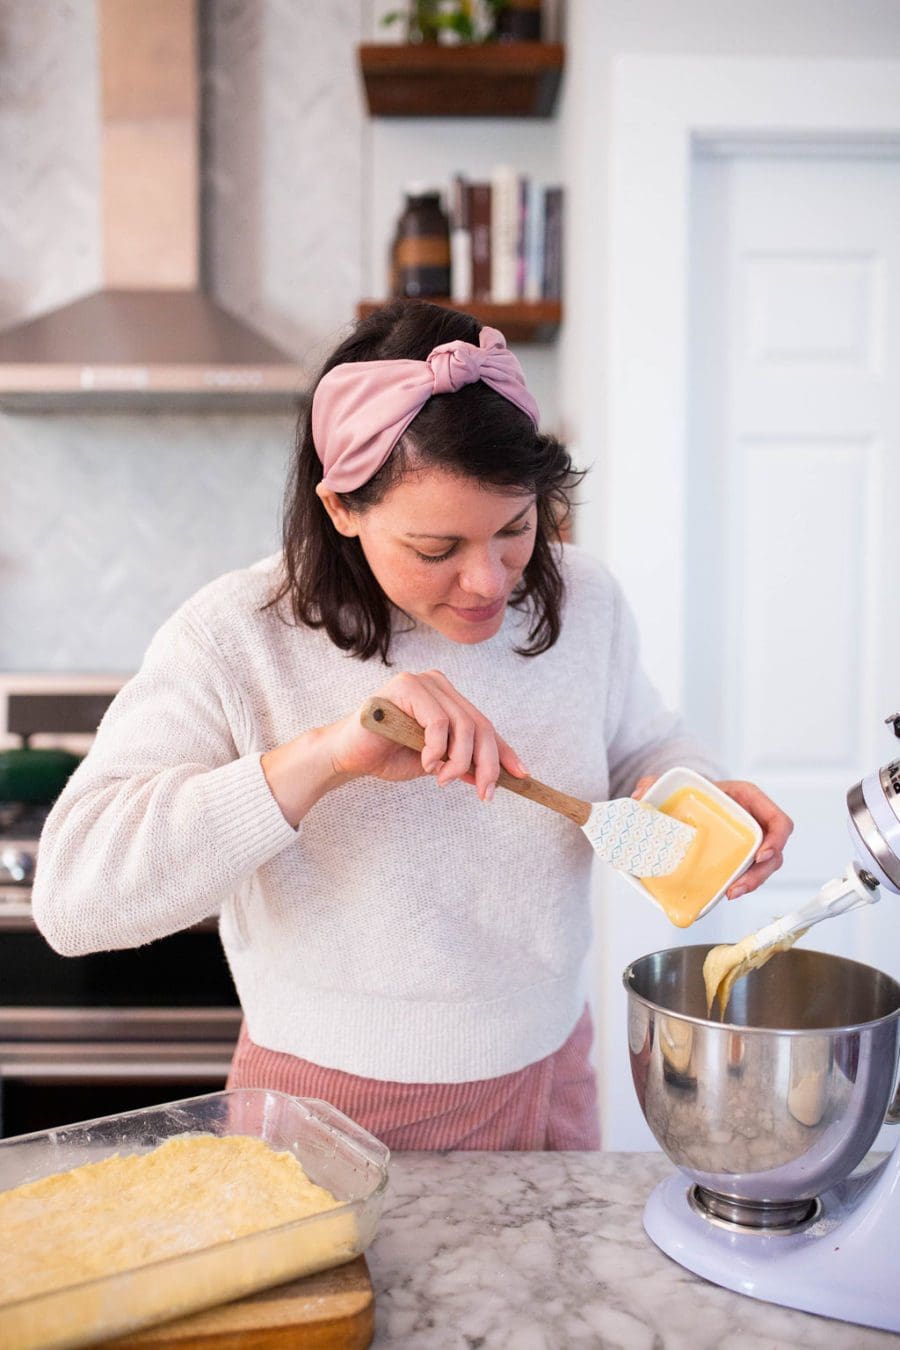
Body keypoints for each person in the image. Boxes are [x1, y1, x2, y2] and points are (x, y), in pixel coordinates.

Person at [32, 301, 792, 1150]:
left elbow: (640, 746)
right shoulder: (236, 636)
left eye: (515, 528)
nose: (488, 582)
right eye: (437, 550)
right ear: (341, 509)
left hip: (551, 1074)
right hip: (324, 1104)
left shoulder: (584, 600)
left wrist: (694, 793)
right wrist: (327, 756)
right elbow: (73, 900)